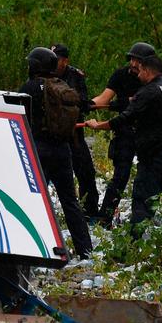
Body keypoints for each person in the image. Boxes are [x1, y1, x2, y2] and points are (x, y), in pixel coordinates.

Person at [86, 55, 162, 258]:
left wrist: (98, 125)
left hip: (155, 155)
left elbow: (126, 118)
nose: (138, 74)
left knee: (142, 201)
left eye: (140, 70)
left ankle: (129, 249)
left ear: (148, 71)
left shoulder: (148, 92)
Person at [19, 47, 93, 260]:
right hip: (63, 149)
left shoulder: (29, 88)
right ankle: (85, 250)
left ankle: (33, 249)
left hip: (39, 149)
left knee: (34, 199)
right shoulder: (63, 85)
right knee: (70, 200)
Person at [90, 42, 155, 227]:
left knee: (149, 177)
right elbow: (104, 99)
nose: (134, 64)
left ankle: (144, 219)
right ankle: (105, 217)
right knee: (120, 177)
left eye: (138, 60)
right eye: (132, 59)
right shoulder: (120, 75)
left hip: (146, 133)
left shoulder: (153, 80)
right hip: (124, 131)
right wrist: (85, 104)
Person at [51, 43, 99, 219]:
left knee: (86, 171)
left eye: (56, 59)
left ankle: (90, 211)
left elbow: (82, 101)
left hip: (74, 133)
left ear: (65, 61)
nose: (53, 62)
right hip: (52, 133)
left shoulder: (75, 76)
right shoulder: (44, 73)